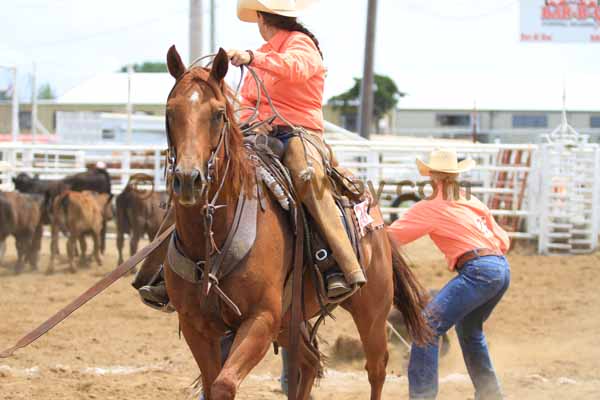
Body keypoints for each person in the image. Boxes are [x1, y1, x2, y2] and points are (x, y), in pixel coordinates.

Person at [387, 148, 511, 400]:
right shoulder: (471, 200)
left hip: (478, 270)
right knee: (470, 330)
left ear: (432, 176)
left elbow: (391, 237)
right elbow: (504, 240)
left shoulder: (432, 205)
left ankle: (422, 397)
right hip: (500, 268)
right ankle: (491, 395)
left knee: (427, 326)